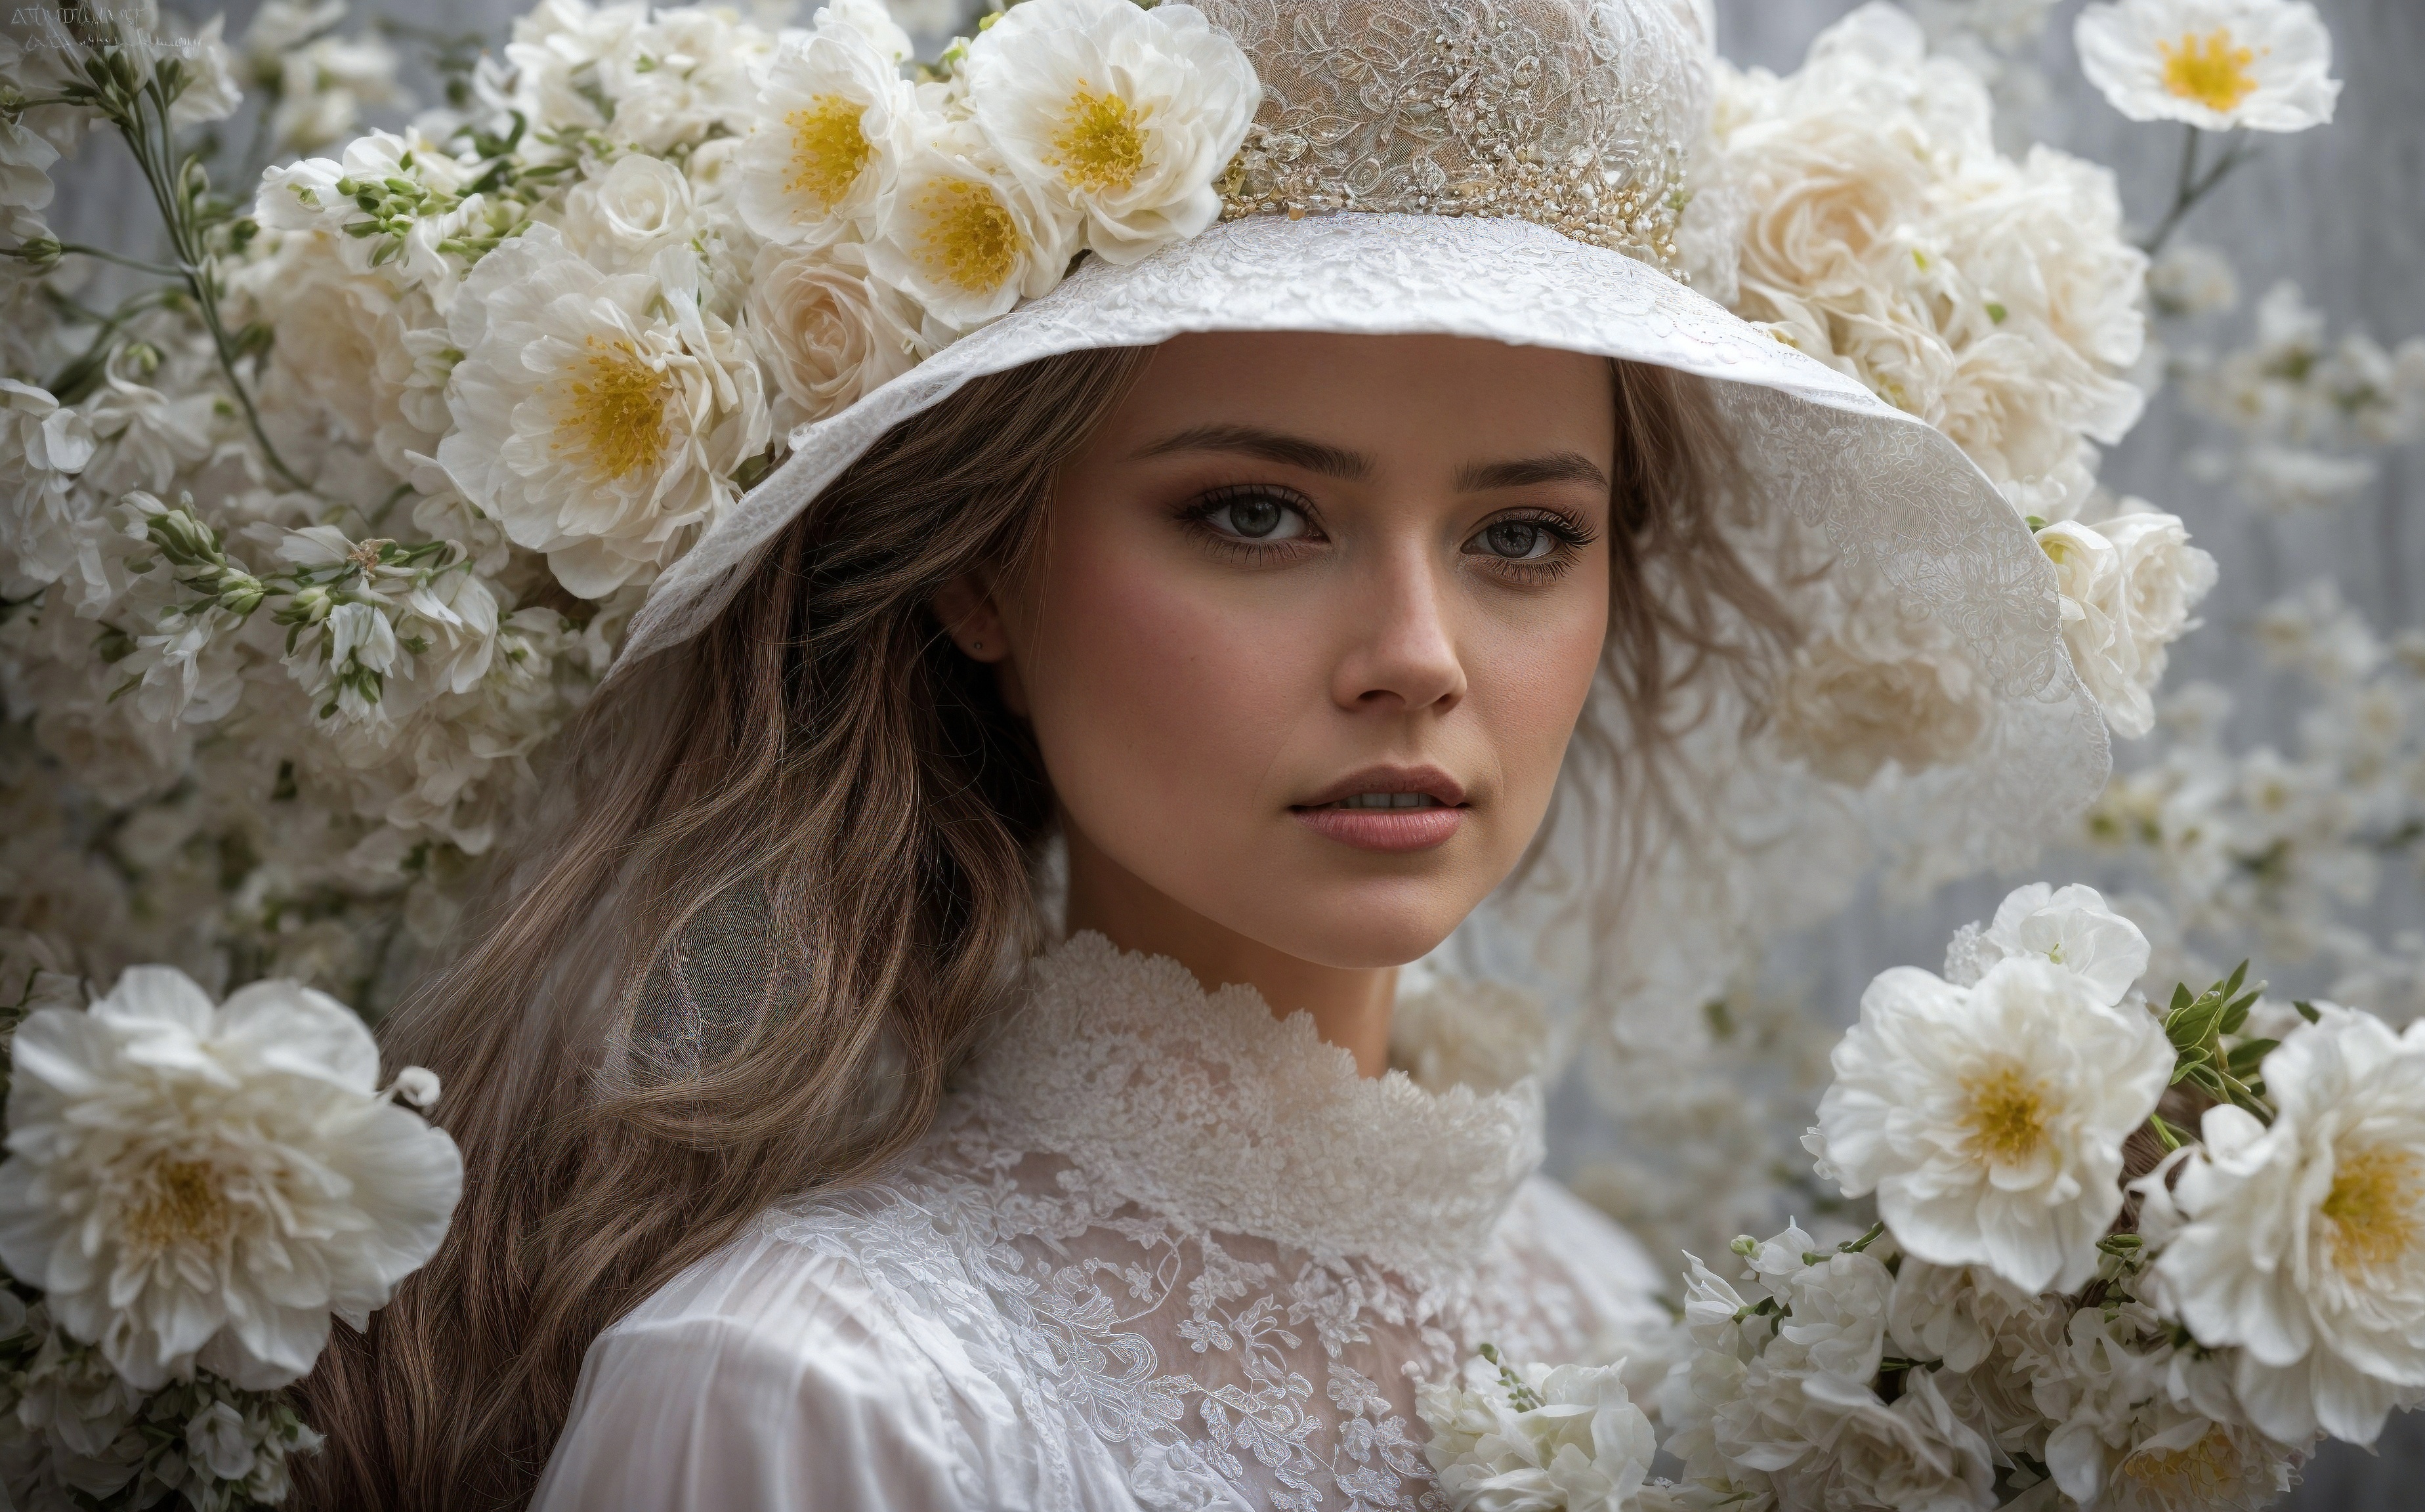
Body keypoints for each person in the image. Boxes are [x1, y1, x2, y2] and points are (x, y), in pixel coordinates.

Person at [297, 0, 2106, 1505]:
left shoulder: (1617, 1319)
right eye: (1254, 514)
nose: (1415, 657)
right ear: (988, 570)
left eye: (1525, 537)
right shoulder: (807, 1401)